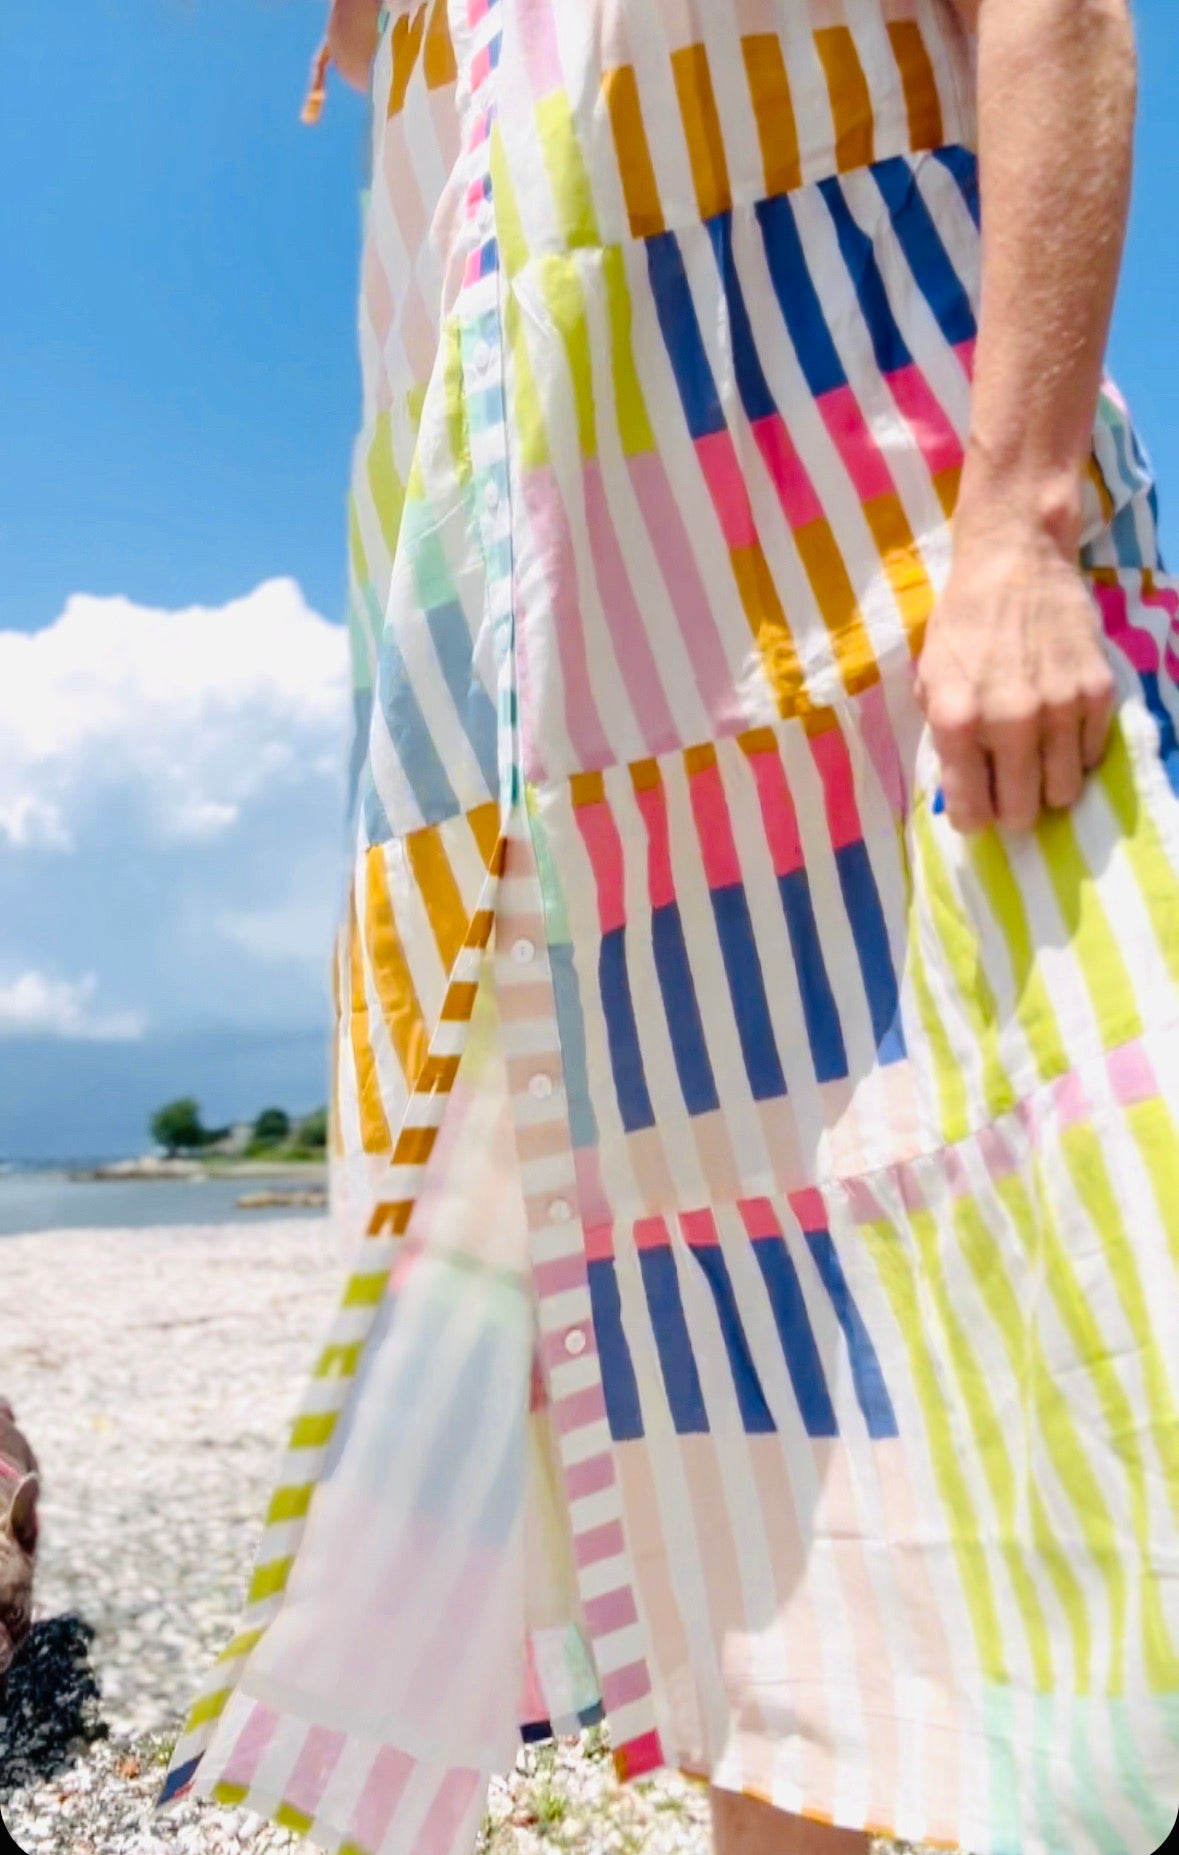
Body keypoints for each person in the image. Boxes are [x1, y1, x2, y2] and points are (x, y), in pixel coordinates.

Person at [165, 2, 1179, 1851]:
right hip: (576, 744)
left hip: (882, 604)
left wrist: (1023, 522)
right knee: (740, 1430)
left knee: (1080, 1314)